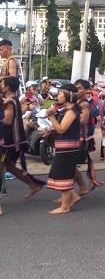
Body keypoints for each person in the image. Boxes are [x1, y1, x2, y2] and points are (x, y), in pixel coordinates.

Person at [0, 76, 44, 206]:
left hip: (9, 141)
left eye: (2, 84)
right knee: (10, 166)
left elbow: (8, 121)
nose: (1, 85)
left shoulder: (9, 101)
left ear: (7, 87)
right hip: (15, 139)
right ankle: (33, 184)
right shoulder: (14, 100)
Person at [45, 84, 82, 214]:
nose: (58, 96)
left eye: (60, 93)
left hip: (68, 147)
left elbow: (61, 129)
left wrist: (51, 117)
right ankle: (73, 197)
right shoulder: (67, 109)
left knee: (63, 174)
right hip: (64, 146)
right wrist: (50, 130)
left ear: (68, 96)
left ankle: (65, 206)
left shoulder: (71, 111)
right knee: (59, 173)